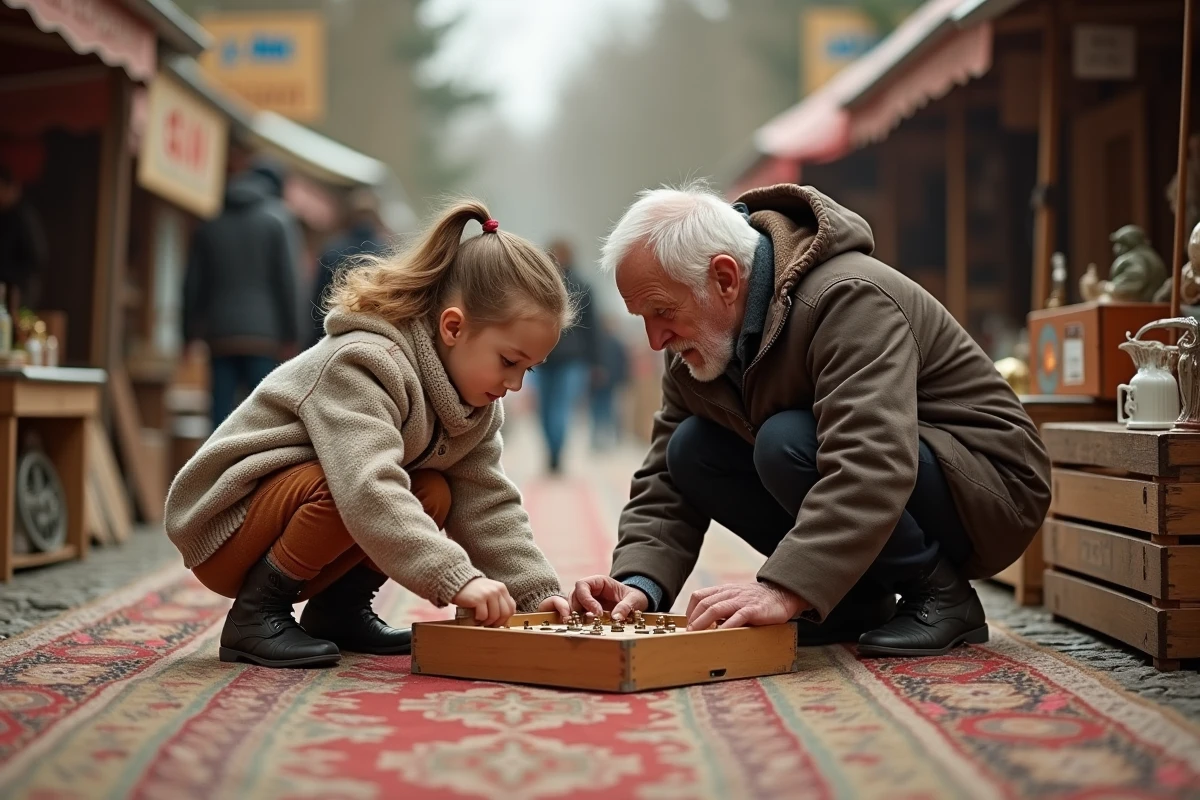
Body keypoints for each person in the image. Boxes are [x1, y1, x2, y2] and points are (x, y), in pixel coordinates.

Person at [571, 181, 1051, 657]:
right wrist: (640, 583)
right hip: (891, 481)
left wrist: (784, 589)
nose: (655, 340)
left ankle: (942, 596)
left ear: (724, 278)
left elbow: (871, 462)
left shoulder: (848, 298)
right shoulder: (696, 348)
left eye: (662, 311)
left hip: (990, 490)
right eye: (643, 320)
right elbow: (665, 478)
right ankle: (849, 601)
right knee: (691, 449)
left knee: (786, 442)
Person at [164, 200, 573, 668]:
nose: (515, 384)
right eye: (509, 361)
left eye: (530, 369)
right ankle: (256, 614)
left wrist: (536, 593)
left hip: (295, 517)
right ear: (453, 327)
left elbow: (488, 501)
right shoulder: (364, 361)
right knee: (352, 483)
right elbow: (365, 484)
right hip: (225, 524)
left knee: (434, 491)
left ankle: (338, 612)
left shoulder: (474, 404)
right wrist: (455, 578)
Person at [183, 158, 305, 429]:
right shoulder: (278, 221)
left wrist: (188, 334)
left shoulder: (211, 224)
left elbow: (193, 283)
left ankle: (214, 469)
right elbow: (288, 282)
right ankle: (255, 471)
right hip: (264, 337)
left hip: (220, 335)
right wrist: (292, 335)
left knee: (219, 415)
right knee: (261, 415)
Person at [535, 239, 599, 473]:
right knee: (549, 409)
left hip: (566, 359)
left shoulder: (578, 286)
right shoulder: (541, 285)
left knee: (556, 407)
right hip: (549, 359)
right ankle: (554, 451)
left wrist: (596, 362)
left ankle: (555, 453)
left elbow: (592, 328)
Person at [309, 188, 390, 346]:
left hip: (333, 325)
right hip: (371, 331)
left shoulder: (334, 246)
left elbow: (319, 294)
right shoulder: (386, 250)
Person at [0, 166, 47, 319]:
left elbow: (37, 257)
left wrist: (14, 281)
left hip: (19, 290)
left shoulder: (24, 217)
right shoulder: (5, 215)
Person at [590, 319, 629, 450]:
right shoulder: (610, 343)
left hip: (606, 383)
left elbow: (623, 363)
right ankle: (600, 438)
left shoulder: (606, 343)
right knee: (602, 409)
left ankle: (602, 438)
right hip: (602, 383)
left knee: (604, 409)